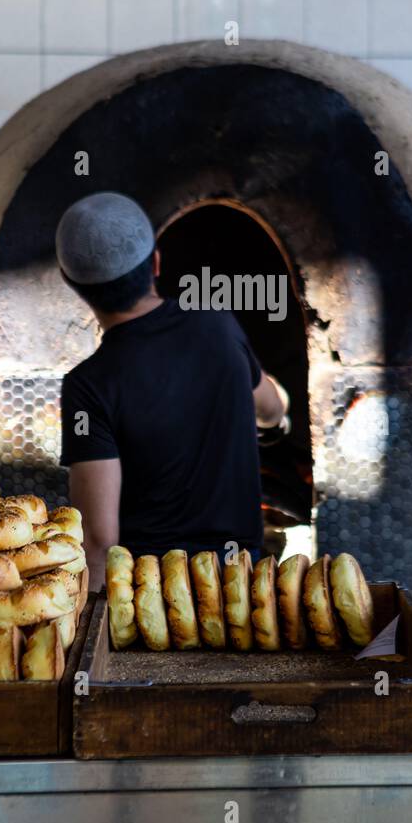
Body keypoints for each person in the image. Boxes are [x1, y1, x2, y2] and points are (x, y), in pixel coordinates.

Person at [56, 192, 289, 591]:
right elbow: (270, 408)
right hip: (240, 584)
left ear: (73, 287)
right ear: (157, 263)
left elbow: (98, 538)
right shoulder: (218, 325)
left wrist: (88, 631)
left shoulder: (88, 387)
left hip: (150, 595)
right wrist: (276, 419)